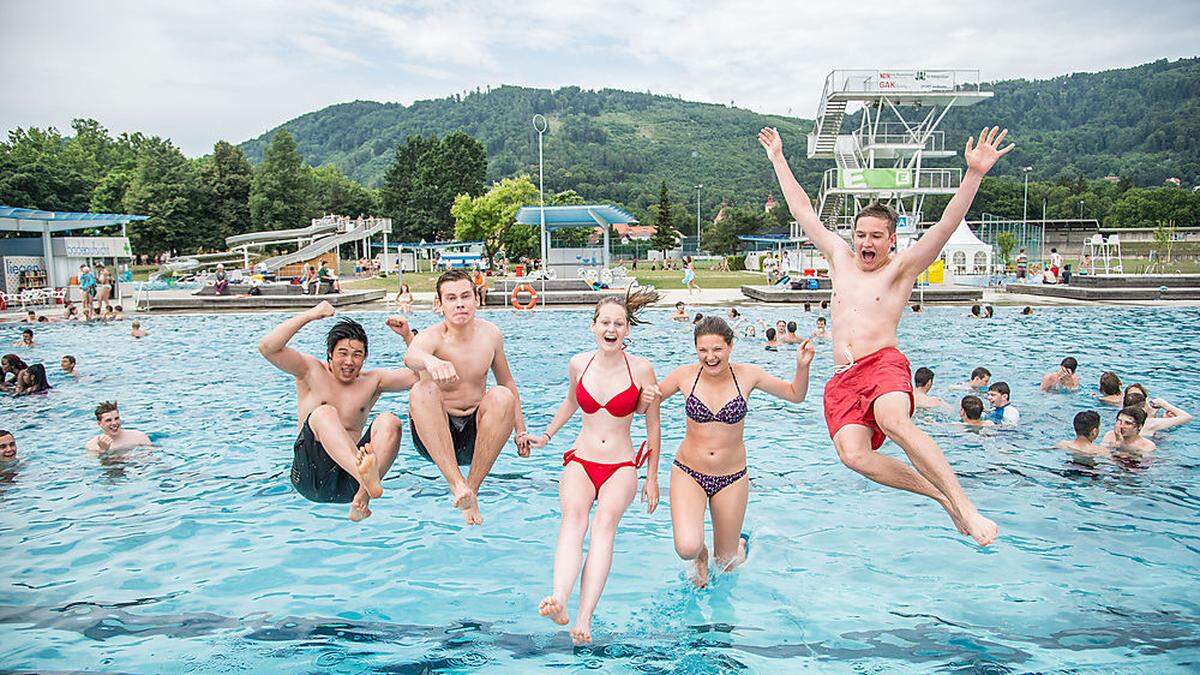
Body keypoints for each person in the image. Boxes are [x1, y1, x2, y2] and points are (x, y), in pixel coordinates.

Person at [760, 123, 1009, 546]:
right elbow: (803, 211)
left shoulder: (900, 269)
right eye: (861, 234)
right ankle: (941, 498)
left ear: (891, 240)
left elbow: (945, 227)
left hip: (883, 364)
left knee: (893, 421)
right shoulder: (839, 258)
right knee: (853, 455)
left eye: (876, 236)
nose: (866, 242)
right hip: (842, 377)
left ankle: (965, 504)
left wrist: (974, 175)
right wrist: (779, 159)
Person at [530, 290, 662, 645]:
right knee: (573, 519)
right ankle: (559, 598)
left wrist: (651, 477)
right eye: (605, 322)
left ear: (627, 330)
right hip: (582, 457)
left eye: (619, 323)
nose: (612, 328)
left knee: (603, 526)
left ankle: (584, 617)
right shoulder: (579, 363)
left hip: (621, 464)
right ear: (593, 327)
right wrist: (545, 435)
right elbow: (572, 402)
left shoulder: (641, 368)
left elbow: (653, 427)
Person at [646, 317, 813, 586]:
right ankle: (700, 556)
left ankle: (739, 547)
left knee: (727, 564)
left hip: (732, 478)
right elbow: (647, 403)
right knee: (687, 547)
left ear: (730, 346)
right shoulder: (684, 375)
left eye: (717, 349)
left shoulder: (749, 375)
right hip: (689, 472)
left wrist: (802, 367)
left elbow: (795, 394)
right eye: (703, 350)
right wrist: (643, 391)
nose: (710, 357)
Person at [259, 302, 416, 521]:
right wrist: (312, 315)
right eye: (343, 353)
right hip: (310, 476)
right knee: (324, 413)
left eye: (357, 355)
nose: (349, 362)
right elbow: (268, 348)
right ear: (330, 355)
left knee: (390, 421)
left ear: (365, 358)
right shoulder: (310, 370)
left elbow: (419, 375)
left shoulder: (372, 381)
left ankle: (362, 497)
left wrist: (407, 336)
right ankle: (366, 478)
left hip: (349, 486)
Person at [404, 270, 530, 526]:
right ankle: (455, 483)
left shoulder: (491, 334)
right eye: (451, 298)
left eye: (465, 296)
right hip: (436, 436)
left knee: (502, 395)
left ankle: (470, 491)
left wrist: (521, 430)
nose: (459, 303)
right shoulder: (431, 337)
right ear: (439, 305)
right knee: (421, 389)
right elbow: (411, 356)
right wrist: (431, 361)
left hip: (476, 437)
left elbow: (507, 381)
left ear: (477, 300)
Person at [84, 401, 152, 453]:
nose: (114, 423)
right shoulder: (92, 446)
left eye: (116, 418)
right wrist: (103, 450)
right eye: (108, 420)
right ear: (99, 423)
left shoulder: (139, 436)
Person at [1124, 389, 1194, 438]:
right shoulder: (1150, 423)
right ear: (1144, 407)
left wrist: (1153, 416)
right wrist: (1164, 404)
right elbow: (1187, 417)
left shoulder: (1122, 421)